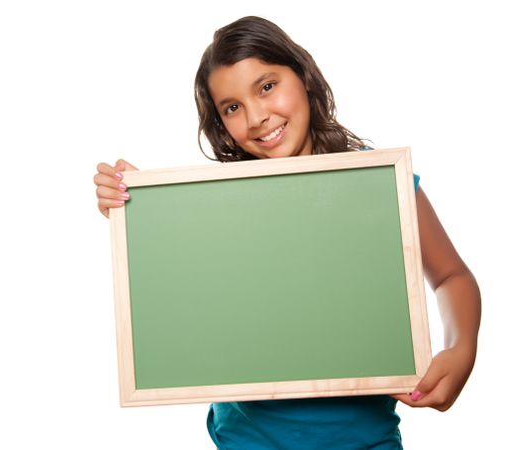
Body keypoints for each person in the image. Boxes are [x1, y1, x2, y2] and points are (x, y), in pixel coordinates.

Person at [93, 16, 481, 449]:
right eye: (232, 107)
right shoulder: (222, 203)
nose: (257, 117)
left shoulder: (376, 182)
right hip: (246, 442)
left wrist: (461, 347)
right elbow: (186, 299)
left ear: (303, 76)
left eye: (266, 86)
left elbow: (452, 277)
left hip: (367, 441)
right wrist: (138, 209)